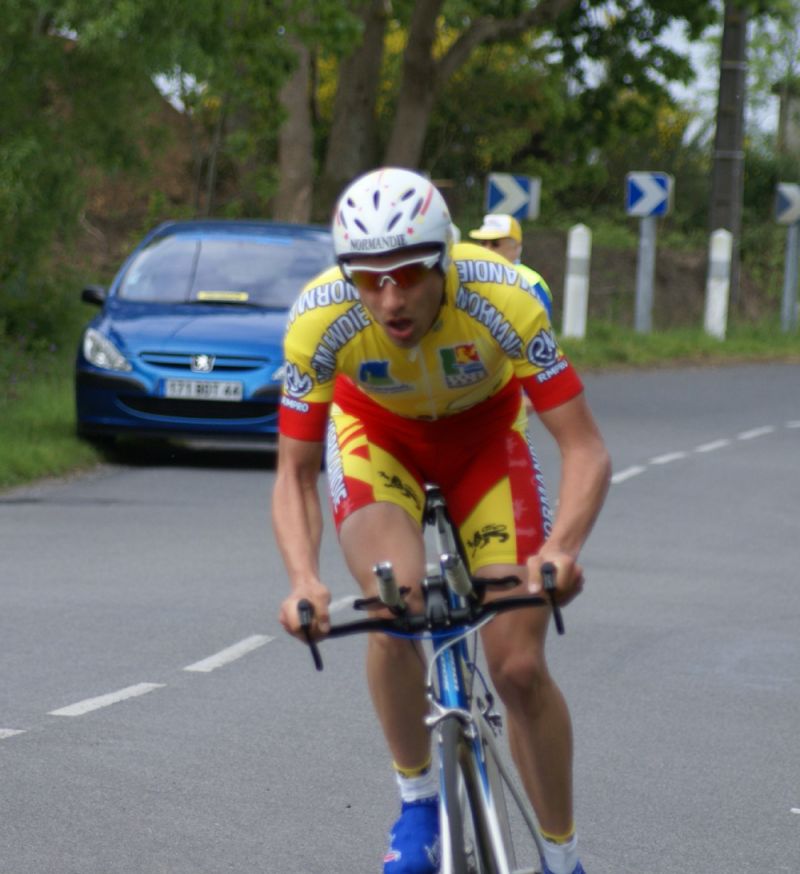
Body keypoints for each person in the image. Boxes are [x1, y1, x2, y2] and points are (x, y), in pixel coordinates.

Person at [272, 167, 611, 874]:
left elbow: (584, 448)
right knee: (393, 600)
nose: (389, 299)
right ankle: (419, 804)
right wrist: (303, 579)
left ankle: (563, 859)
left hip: (485, 443)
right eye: (369, 280)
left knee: (518, 664)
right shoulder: (317, 318)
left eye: (407, 275)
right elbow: (295, 473)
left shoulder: (505, 296)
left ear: (444, 260)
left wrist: (561, 550)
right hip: (377, 440)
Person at [469, 212, 554, 321]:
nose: (487, 249)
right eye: (483, 243)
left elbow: (540, 325)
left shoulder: (530, 281)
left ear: (516, 248)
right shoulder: (470, 274)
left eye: (495, 243)